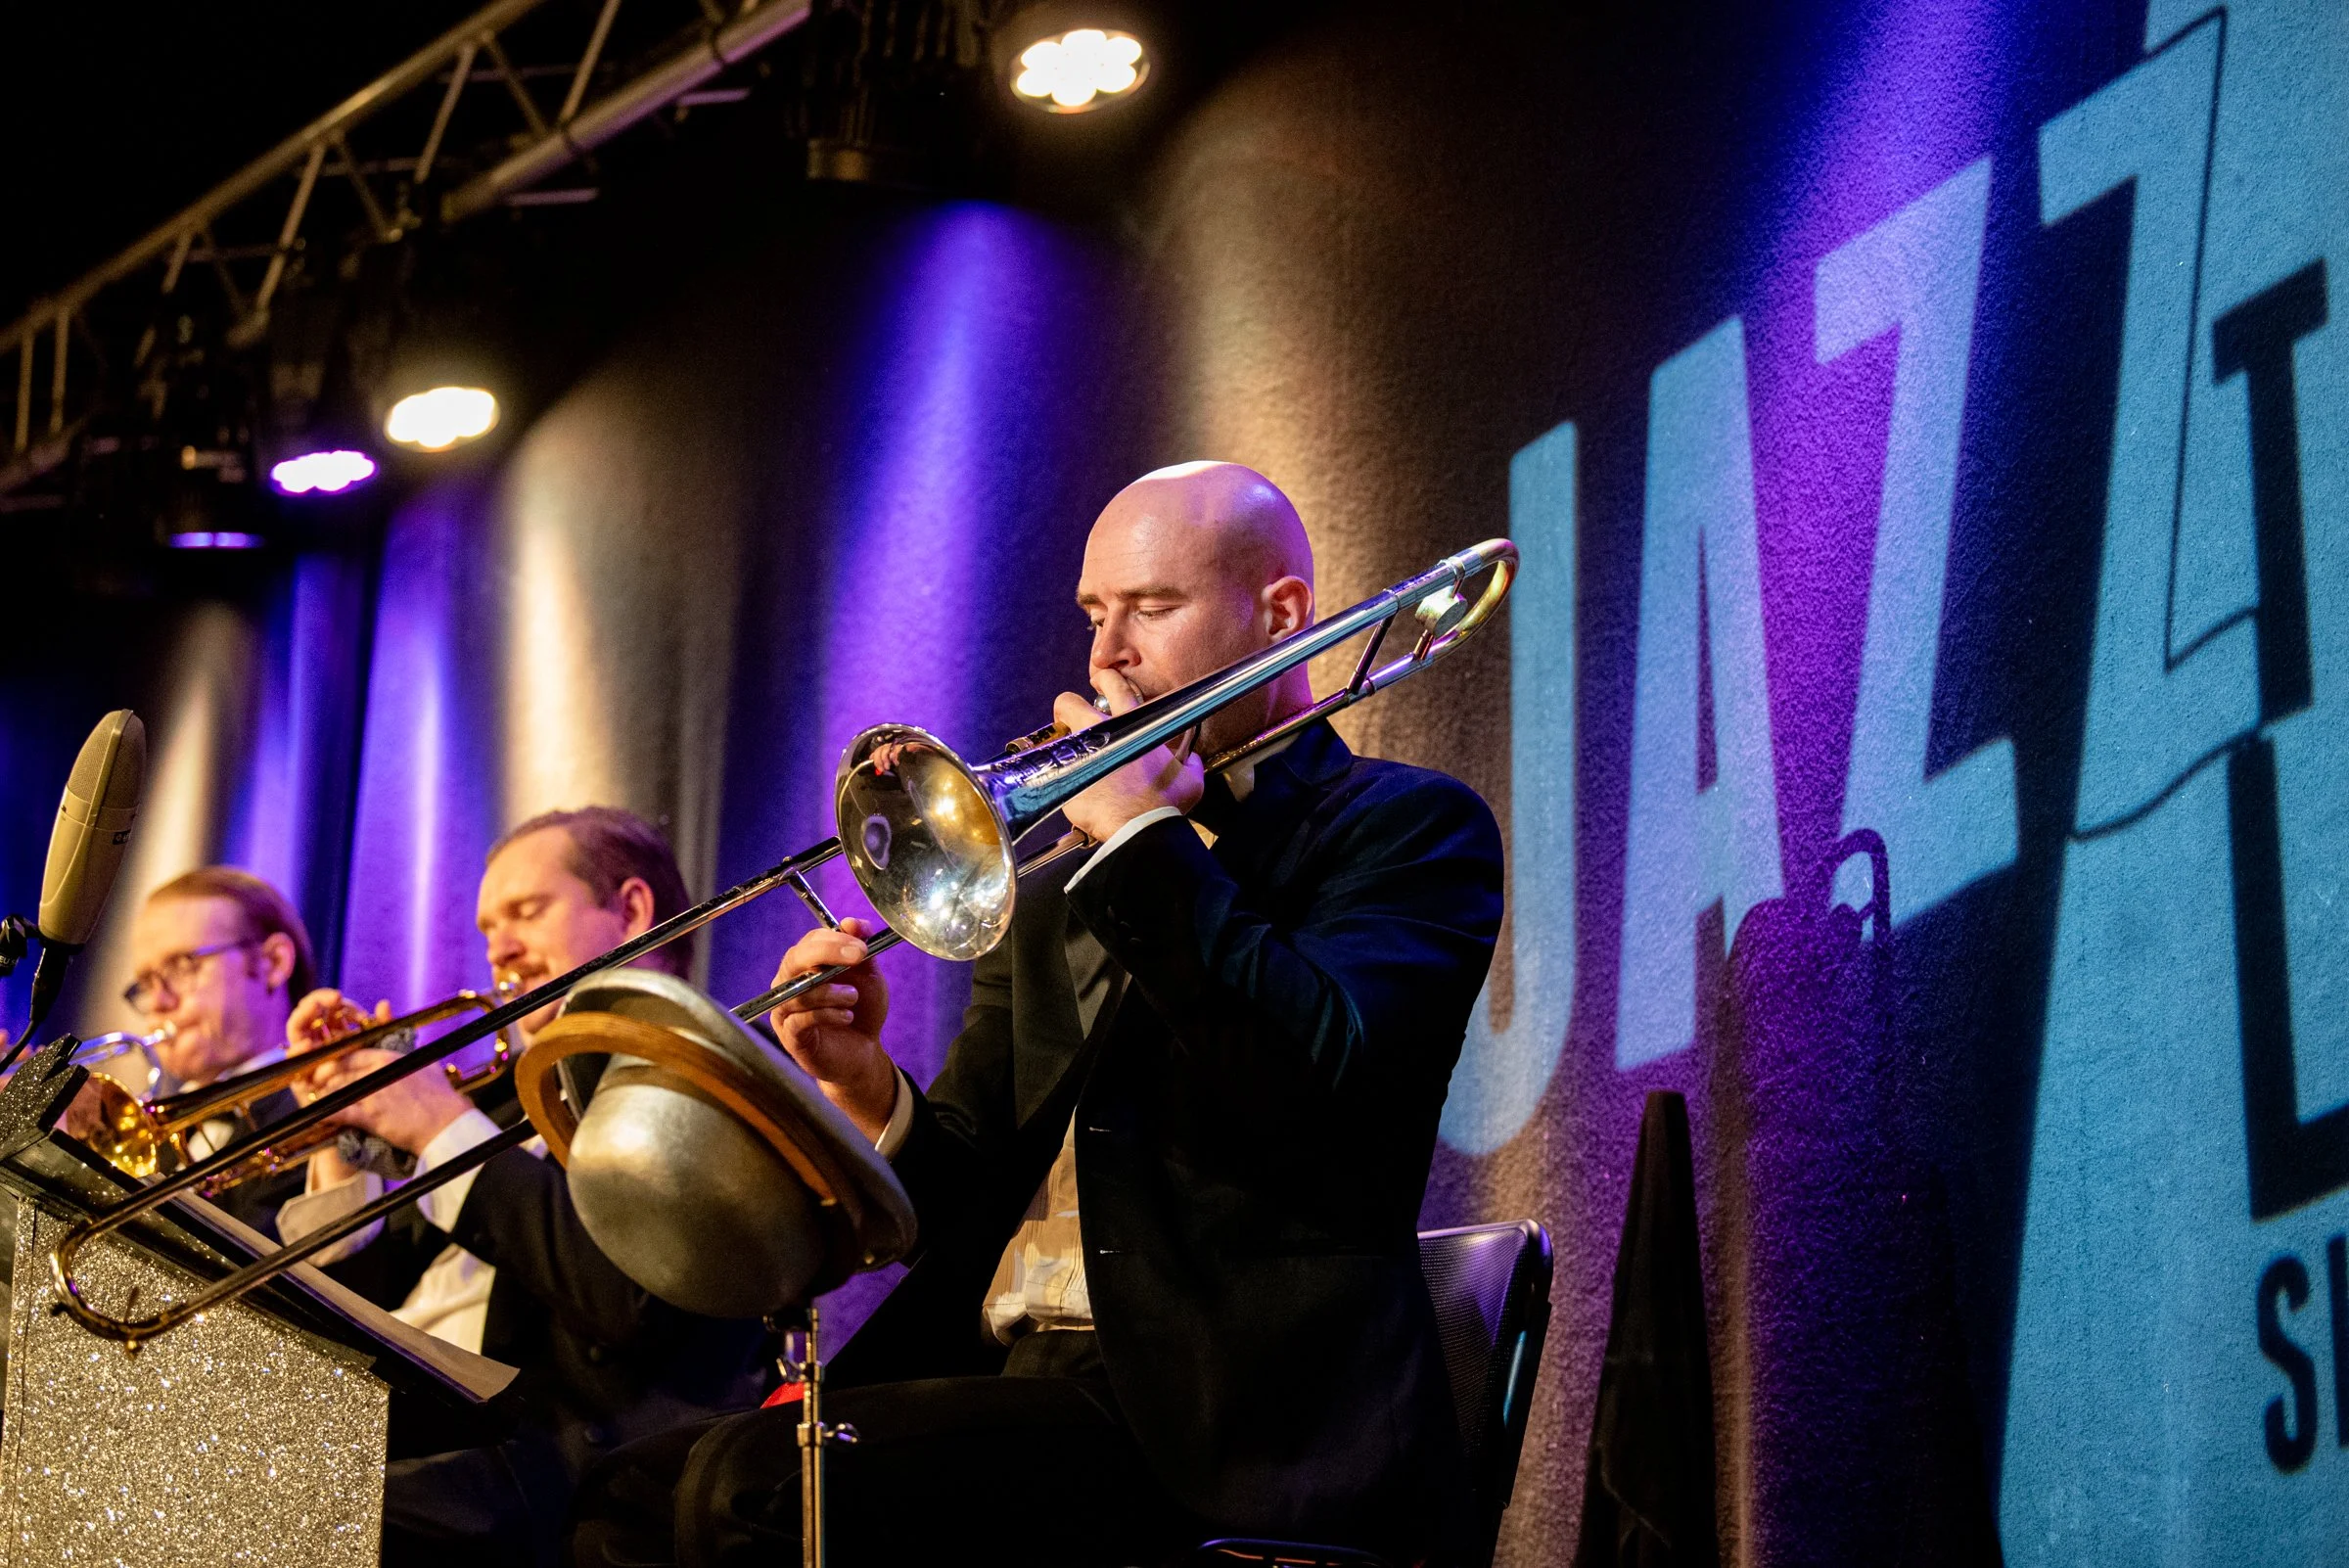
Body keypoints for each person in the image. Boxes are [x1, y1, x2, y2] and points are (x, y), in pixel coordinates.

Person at [571, 462, 1506, 1567]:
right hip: (1013, 1381)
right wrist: (862, 1079)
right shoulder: (1058, 888)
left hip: (1222, 1417)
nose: (1107, 655)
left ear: (1282, 614)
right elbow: (960, 1185)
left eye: (1152, 607)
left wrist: (1145, 841)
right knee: (624, 1495)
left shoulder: (1405, 829)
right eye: (1094, 613)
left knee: (745, 1493)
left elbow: (1316, 1085)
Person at [280, 807, 771, 1568]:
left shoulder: (711, 1063)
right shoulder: (497, 1104)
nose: (499, 948)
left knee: (258, 1507)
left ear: (631, 910)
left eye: (527, 911)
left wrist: (438, 1126)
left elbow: (633, 1298)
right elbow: (368, 1307)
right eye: (487, 929)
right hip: (405, 1432)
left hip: (556, 1469)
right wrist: (343, 1137)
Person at [107, 866, 322, 1235]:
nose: (158, 1001)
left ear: (272, 963)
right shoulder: (152, 1137)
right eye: (147, 982)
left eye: (183, 966)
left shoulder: (319, 1115)